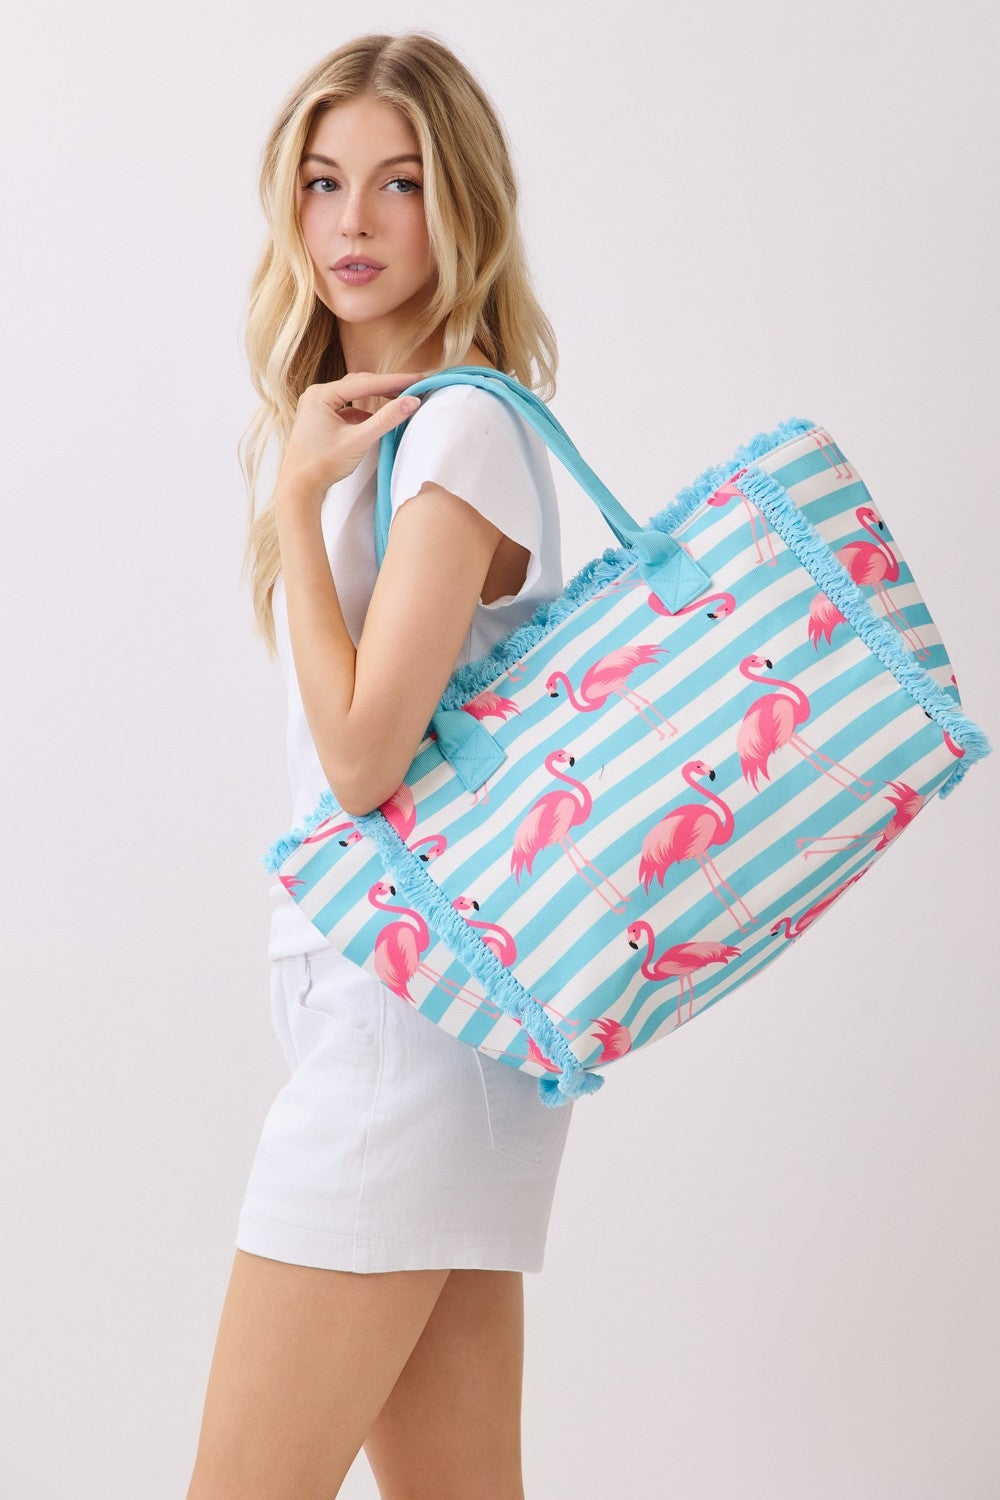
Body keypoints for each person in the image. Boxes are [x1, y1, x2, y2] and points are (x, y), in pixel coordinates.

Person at [186, 31, 574, 1500]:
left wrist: (295, 499)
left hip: (410, 1025)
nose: (352, 221)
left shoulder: (460, 429)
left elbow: (360, 762)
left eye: (399, 182)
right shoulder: (387, 436)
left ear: (460, 203)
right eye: (323, 180)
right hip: (410, 1009)